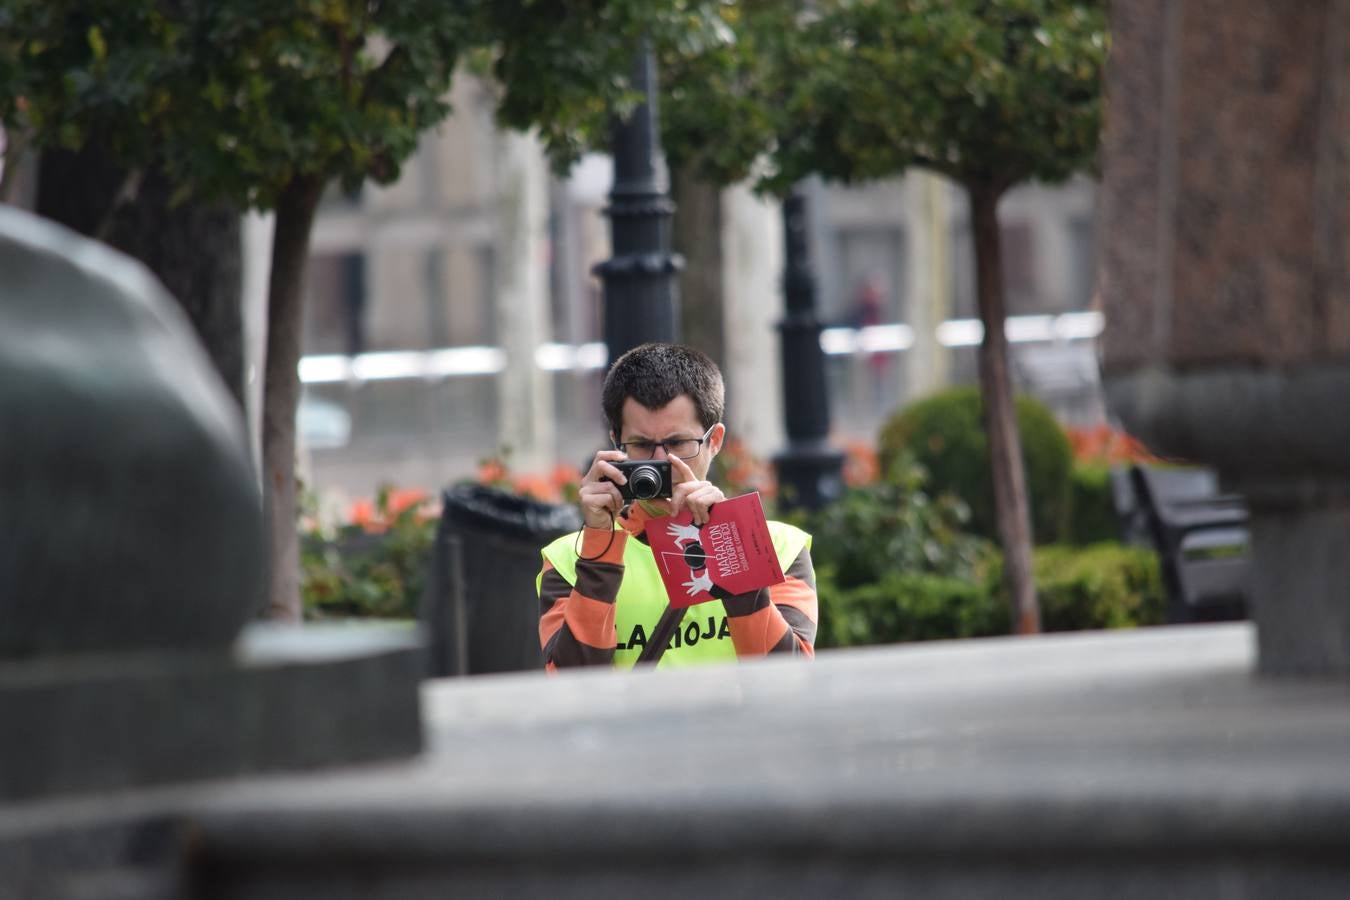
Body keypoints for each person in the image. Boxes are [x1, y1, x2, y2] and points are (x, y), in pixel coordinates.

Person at [537, 342, 818, 671]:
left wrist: (729, 544)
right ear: (616, 443)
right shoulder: (567, 559)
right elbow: (575, 684)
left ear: (714, 441)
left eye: (677, 443)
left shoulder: (778, 547)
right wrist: (600, 544)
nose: (661, 462)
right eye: (642, 445)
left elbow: (788, 678)